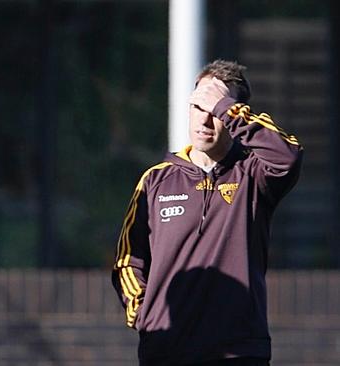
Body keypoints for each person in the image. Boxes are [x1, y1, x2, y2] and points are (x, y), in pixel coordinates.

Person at [111, 60, 303, 366]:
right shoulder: (155, 181)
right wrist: (144, 312)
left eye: (215, 111)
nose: (205, 120)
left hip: (238, 351)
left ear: (233, 115)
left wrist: (226, 107)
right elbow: (127, 261)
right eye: (198, 107)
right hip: (166, 350)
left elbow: (288, 156)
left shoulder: (254, 174)